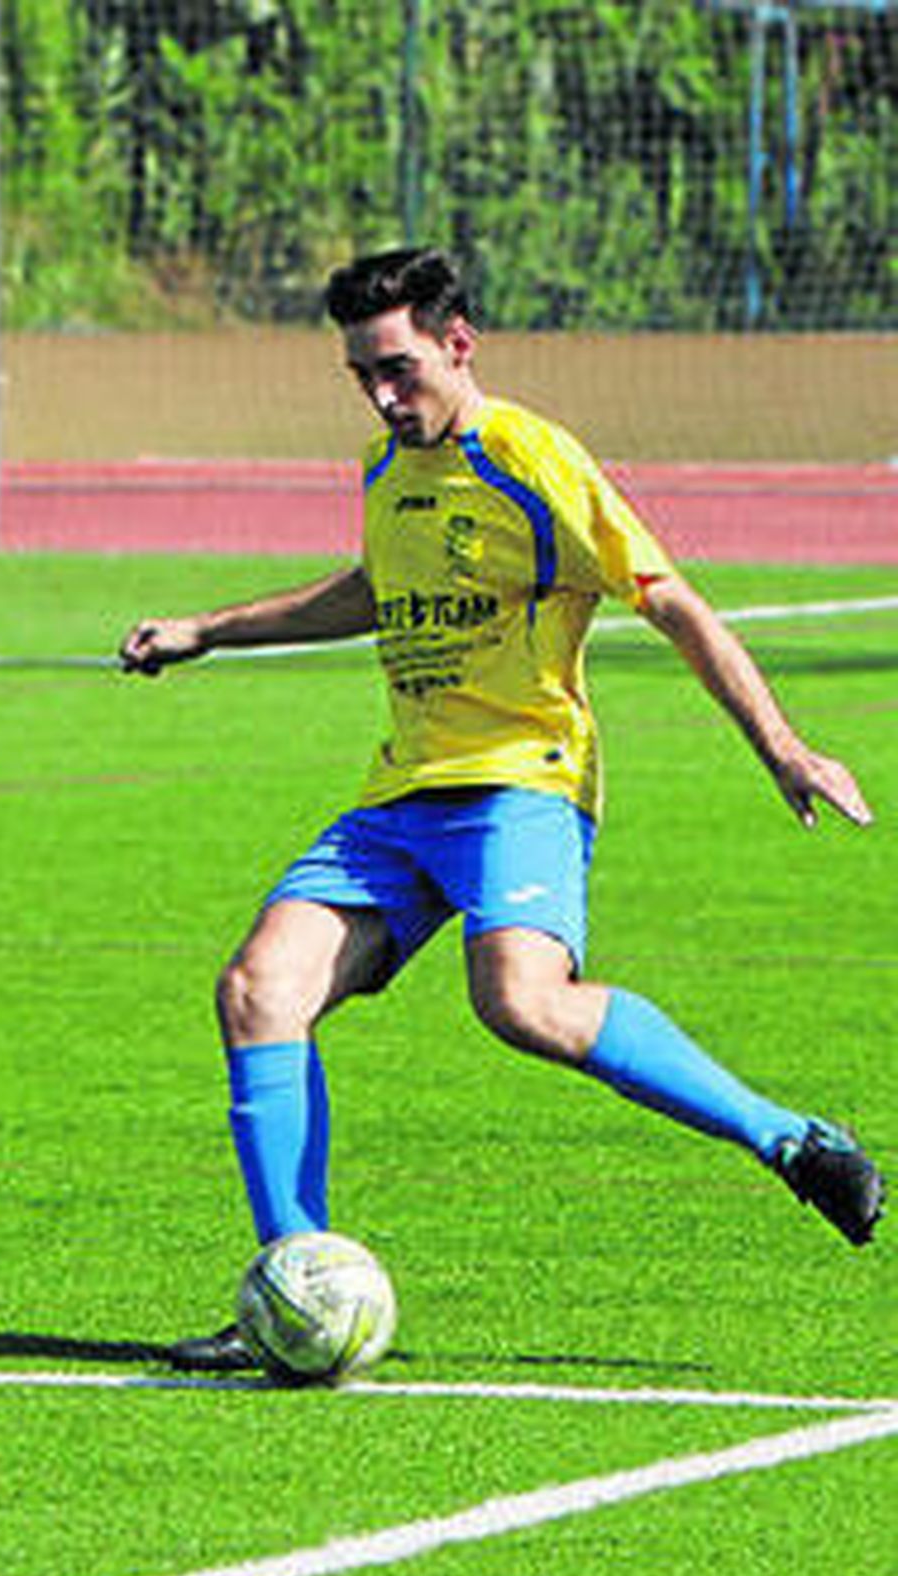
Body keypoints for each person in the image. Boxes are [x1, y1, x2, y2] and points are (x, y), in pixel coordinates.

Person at [120, 246, 885, 1371]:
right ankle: (294, 1278)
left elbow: (668, 599)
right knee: (257, 989)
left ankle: (791, 1139)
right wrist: (209, 630)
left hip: (522, 780)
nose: (383, 396)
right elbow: (375, 589)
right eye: (361, 375)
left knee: (522, 1001)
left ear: (458, 342)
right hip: (402, 795)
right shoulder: (389, 468)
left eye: (398, 368)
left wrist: (783, 747)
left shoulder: (532, 458)